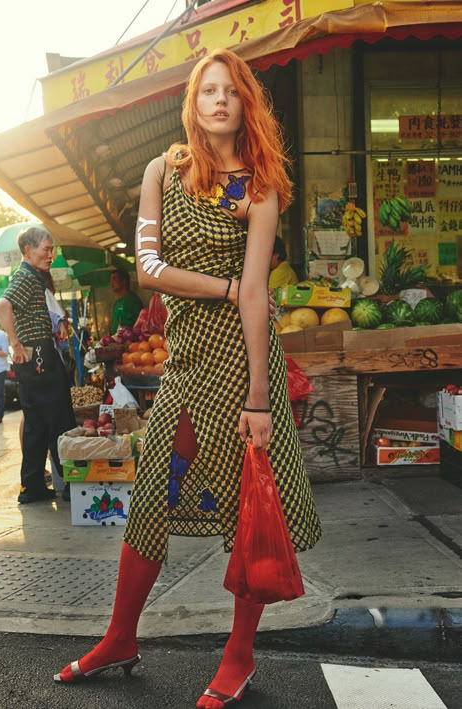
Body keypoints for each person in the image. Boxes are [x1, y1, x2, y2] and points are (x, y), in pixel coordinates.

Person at [54, 48, 321, 706]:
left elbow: (257, 295)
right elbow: (147, 268)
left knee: (246, 508)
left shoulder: (260, 187)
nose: (220, 100)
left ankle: (239, 655)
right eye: (208, 91)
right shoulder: (163, 170)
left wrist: (261, 396)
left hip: (237, 364)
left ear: (246, 102)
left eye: (232, 90)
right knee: (149, 501)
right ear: (193, 103)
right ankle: (120, 634)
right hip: (185, 362)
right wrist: (226, 285)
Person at [0, 227, 77, 504]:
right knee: (59, 416)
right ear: (28, 251)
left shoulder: (33, 276)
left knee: (37, 423)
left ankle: (32, 487)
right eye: (46, 249)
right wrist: (15, 343)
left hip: (34, 355)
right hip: (37, 353)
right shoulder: (26, 276)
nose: (50, 255)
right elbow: (1, 306)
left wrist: (60, 323)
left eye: (52, 250)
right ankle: (71, 485)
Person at [110, 269, 143, 334]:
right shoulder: (117, 303)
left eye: (114, 279)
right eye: (111, 280)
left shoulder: (133, 300)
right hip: (115, 342)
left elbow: (140, 324)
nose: (111, 282)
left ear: (124, 281)